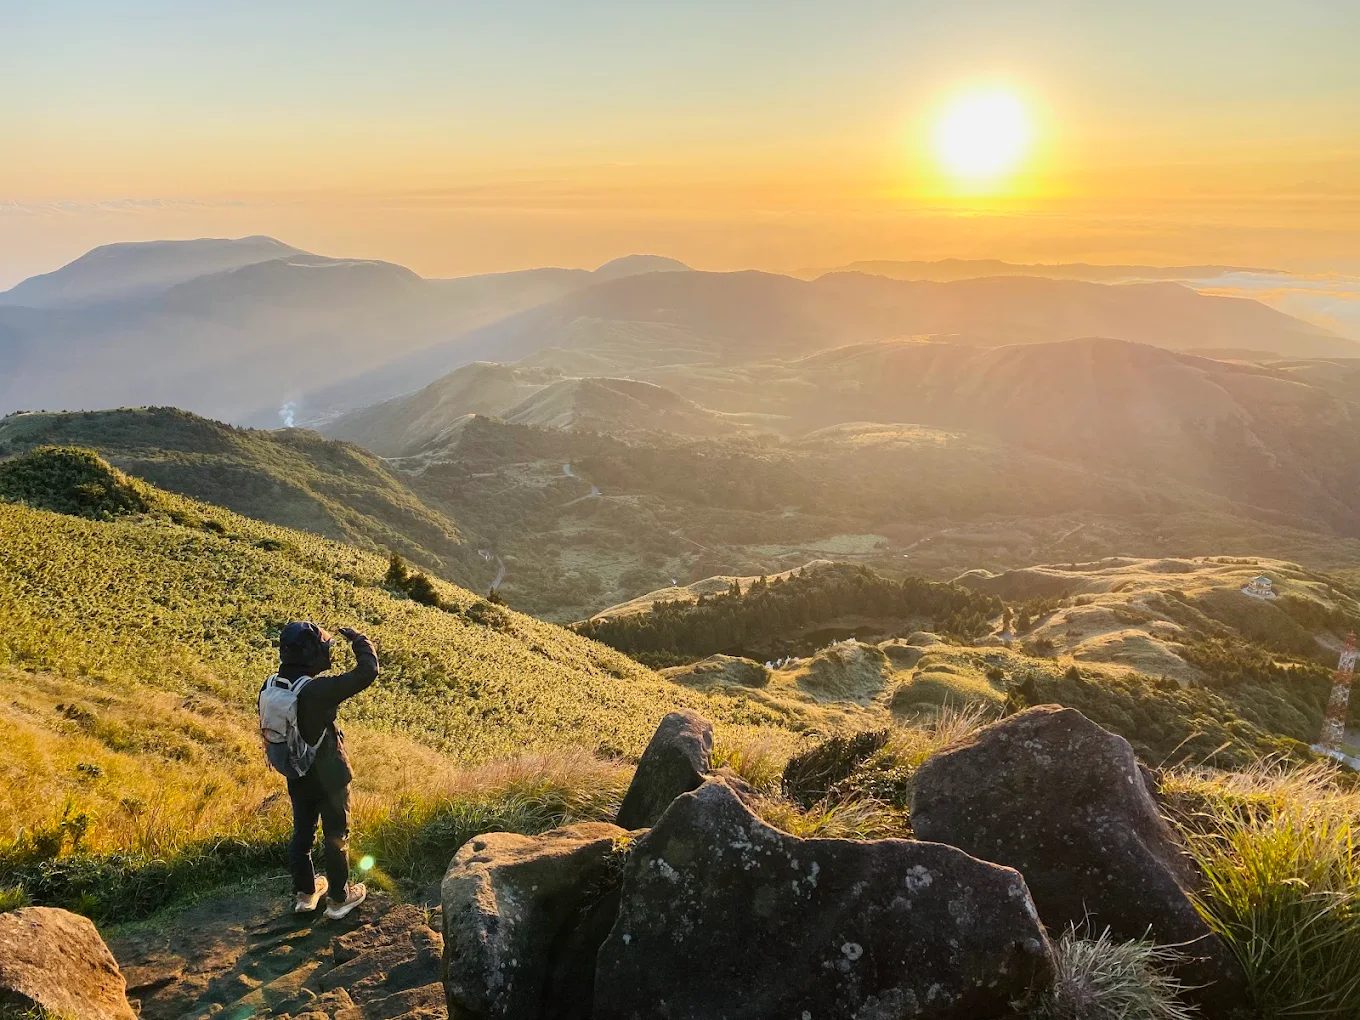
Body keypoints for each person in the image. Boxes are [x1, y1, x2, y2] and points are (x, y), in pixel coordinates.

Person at [262, 621, 379, 919]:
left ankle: (305, 894)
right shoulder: (315, 691)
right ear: (311, 654)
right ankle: (339, 899)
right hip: (330, 777)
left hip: (296, 773)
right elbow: (367, 672)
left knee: (302, 834)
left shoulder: (271, 686)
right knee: (336, 835)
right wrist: (360, 640)